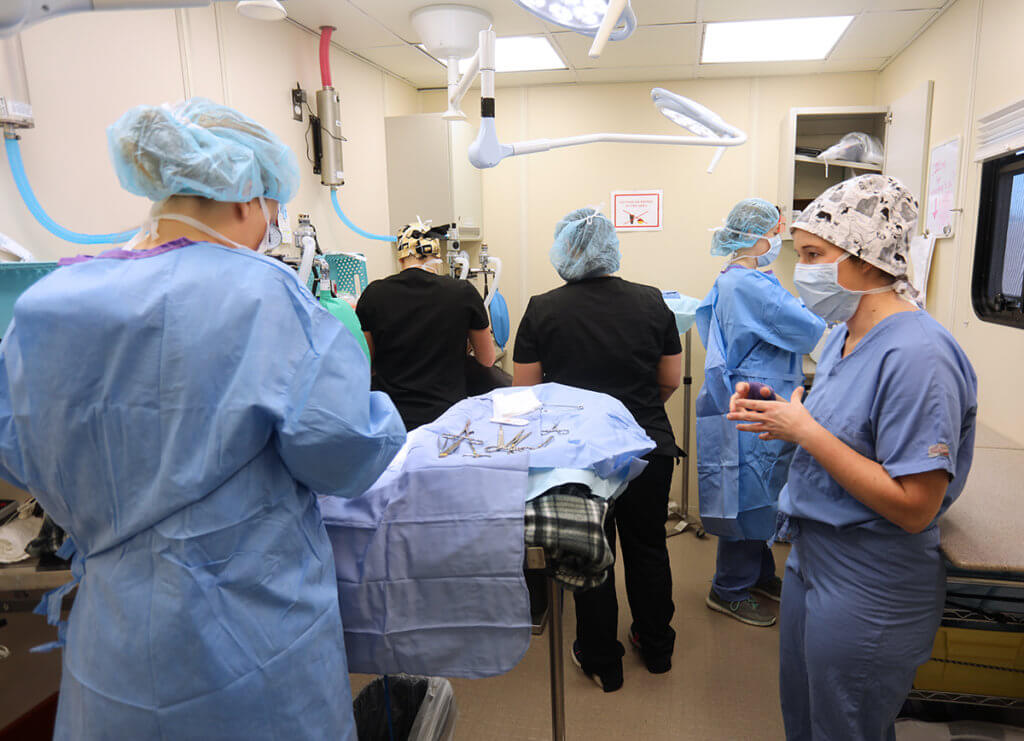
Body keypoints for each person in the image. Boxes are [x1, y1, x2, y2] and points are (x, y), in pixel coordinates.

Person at [0, 99, 407, 741]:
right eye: (271, 217)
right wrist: (381, 413)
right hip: (248, 636)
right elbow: (346, 452)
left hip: (116, 639)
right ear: (247, 197)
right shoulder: (262, 295)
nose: (267, 235)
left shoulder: (46, 304)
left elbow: (19, 450)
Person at [727, 175, 977, 740]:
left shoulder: (919, 356)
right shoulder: (844, 339)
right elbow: (846, 432)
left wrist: (807, 433)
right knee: (806, 716)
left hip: (872, 574)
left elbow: (915, 506)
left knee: (847, 726)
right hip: (813, 556)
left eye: (814, 254)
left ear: (867, 256)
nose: (802, 271)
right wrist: (784, 420)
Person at [512, 207, 681, 692]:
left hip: (578, 458)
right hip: (645, 447)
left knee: (590, 552)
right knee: (648, 548)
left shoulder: (543, 308)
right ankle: (657, 648)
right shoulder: (653, 302)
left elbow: (527, 391)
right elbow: (669, 380)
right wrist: (629, 414)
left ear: (565, 251)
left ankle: (603, 661)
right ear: (611, 248)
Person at [695, 199, 825, 627]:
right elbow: (808, 329)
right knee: (749, 498)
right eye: (775, 230)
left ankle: (759, 574)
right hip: (757, 398)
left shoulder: (736, 278)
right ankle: (727, 588)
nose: (778, 238)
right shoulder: (752, 285)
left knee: (761, 498)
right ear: (755, 236)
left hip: (757, 396)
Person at [356, 221, 496, 430]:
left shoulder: (374, 294)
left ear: (401, 256)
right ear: (436, 255)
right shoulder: (462, 292)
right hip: (449, 420)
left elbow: (365, 367)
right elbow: (487, 360)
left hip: (394, 421)